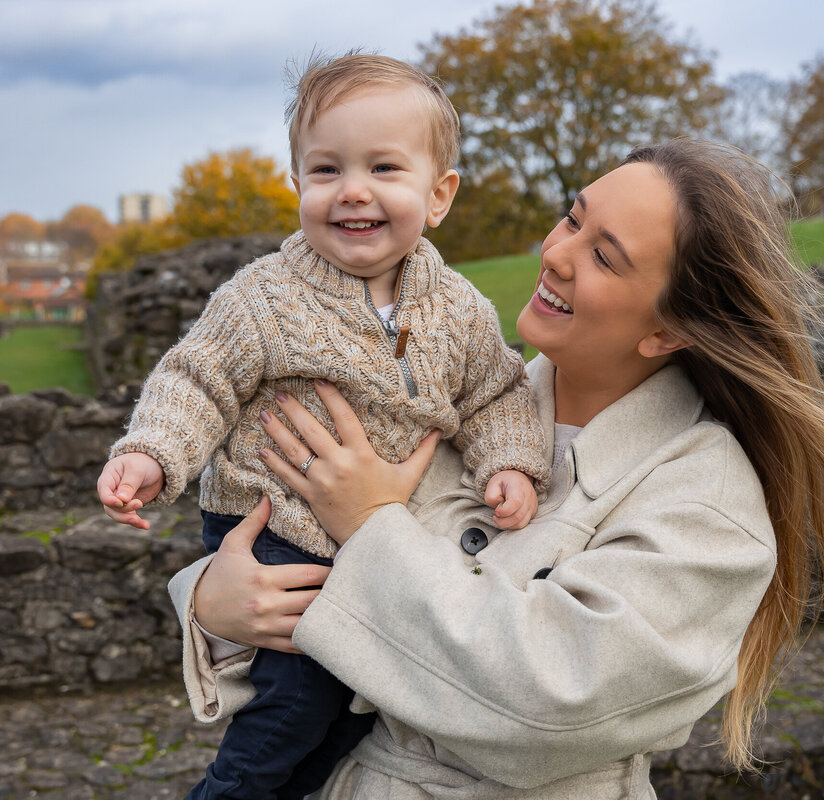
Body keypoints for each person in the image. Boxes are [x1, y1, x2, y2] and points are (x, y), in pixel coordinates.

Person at [170, 139, 824, 798]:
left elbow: (543, 705)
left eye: (604, 257)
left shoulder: (707, 508)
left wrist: (372, 529)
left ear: (670, 330)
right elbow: (288, 547)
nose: (556, 252)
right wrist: (213, 602)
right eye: (572, 218)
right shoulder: (448, 405)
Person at [97, 53, 549, 800]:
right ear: (298, 184)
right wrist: (151, 452)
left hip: (374, 542)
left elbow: (496, 392)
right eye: (327, 170)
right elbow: (196, 379)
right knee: (294, 706)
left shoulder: (459, 308)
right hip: (274, 526)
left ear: (438, 195)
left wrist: (509, 464)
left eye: (384, 169)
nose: (355, 192)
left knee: (354, 716)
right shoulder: (265, 298)